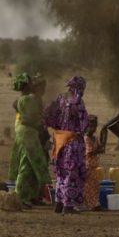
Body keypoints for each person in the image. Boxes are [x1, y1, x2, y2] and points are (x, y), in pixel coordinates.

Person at [46, 76, 89, 214]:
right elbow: (84, 124)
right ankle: (68, 206)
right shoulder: (78, 102)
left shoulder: (61, 98)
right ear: (79, 88)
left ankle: (59, 203)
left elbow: (52, 119)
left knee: (61, 171)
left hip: (60, 141)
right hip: (72, 142)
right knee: (72, 172)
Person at [8, 73, 51, 208]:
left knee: (30, 165)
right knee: (27, 165)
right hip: (28, 133)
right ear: (27, 85)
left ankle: (31, 196)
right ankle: (21, 197)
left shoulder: (22, 99)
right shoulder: (29, 99)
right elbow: (31, 119)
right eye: (31, 83)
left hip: (27, 133)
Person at [83, 115, 103, 211]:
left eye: (94, 126)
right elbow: (89, 152)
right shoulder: (86, 138)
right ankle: (92, 205)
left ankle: (95, 203)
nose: (92, 128)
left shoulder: (94, 138)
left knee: (95, 186)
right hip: (88, 166)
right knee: (89, 187)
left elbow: (99, 148)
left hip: (94, 166)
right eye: (90, 126)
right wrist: (98, 150)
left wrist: (100, 148)